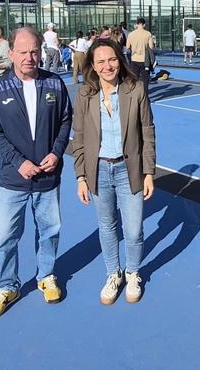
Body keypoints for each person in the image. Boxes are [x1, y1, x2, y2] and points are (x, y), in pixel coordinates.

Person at [0, 27, 73, 320]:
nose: (30, 58)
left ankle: (45, 275)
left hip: (48, 177)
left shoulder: (55, 84)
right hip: (13, 178)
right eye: (23, 52)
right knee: (4, 235)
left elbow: (65, 121)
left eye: (34, 51)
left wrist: (57, 152)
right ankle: (7, 286)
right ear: (11, 54)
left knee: (49, 231)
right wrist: (18, 161)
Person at [73, 38, 156, 304]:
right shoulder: (85, 94)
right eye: (101, 61)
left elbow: (147, 130)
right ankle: (113, 274)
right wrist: (81, 176)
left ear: (120, 60)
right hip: (98, 170)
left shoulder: (136, 89)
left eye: (112, 59)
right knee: (107, 226)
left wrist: (149, 172)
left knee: (133, 230)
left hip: (127, 169)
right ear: (93, 66)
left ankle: (133, 272)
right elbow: (80, 135)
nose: (108, 65)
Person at [126, 18, 154, 83]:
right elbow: (151, 47)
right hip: (144, 60)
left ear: (137, 24)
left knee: (134, 80)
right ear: (144, 25)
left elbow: (127, 47)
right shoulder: (148, 34)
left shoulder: (131, 34)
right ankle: (145, 93)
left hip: (134, 59)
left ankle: (135, 92)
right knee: (145, 80)